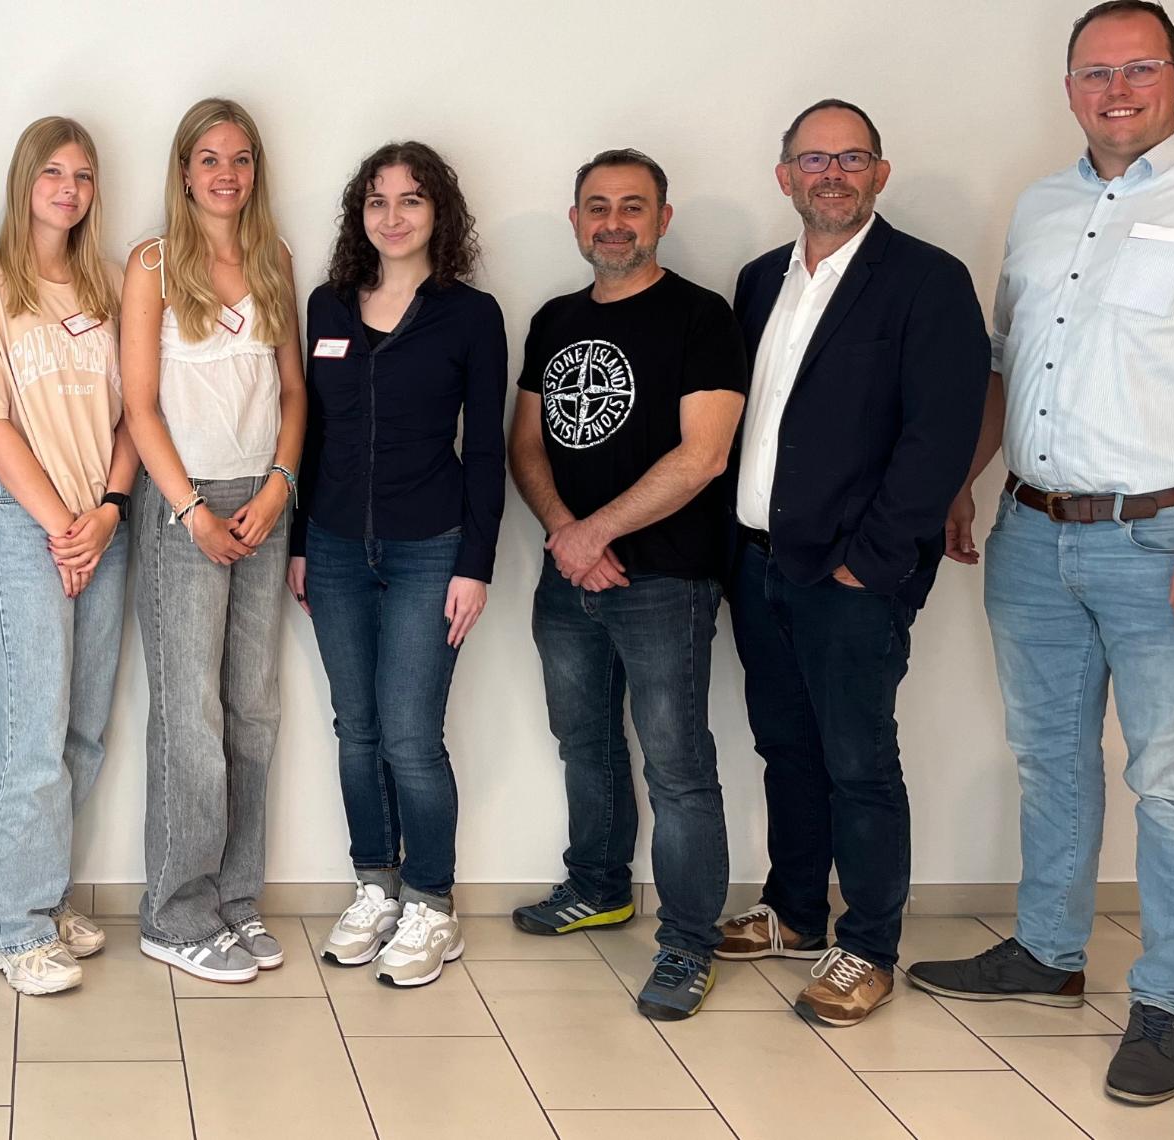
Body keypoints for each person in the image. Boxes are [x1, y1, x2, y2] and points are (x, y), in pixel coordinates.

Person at [908, 1, 1174, 1104]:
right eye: (1095, 72)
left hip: (1170, 534)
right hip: (1032, 532)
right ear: (1069, 85)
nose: (1117, 90)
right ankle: (1046, 951)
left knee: (1171, 779)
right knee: (1050, 758)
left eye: (1140, 70)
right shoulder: (1039, 208)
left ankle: (1168, 1002)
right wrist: (965, 478)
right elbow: (1006, 364)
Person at [711, 98, 987, 1029]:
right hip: (757, 563)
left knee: (860, 761)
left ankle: (867, 945)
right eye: (813, 159)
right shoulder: (758, 281)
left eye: (852, 157)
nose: (832, 173)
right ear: (783, 175)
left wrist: (872, 563)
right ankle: (794, 911)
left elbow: (938, 436)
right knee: (784, 748)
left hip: (852, 577)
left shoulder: (926, 280)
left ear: (881, 172)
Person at [505, 150, 747, 1021]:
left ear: (663, 219)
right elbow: (526, 444)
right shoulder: (553, 318)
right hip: (568, 576)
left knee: (679, 765)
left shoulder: (701, 316)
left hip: (665, 581)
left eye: (633, 207)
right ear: (575, 220)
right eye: (597, 207)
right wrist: (567, 538)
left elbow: (705, 453)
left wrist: (595, 531)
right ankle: (599, 887)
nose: (614, 222)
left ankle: (687, 943)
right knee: (586, 742)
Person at [0, 115, 135, 995]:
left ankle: (41, 900)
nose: (69, 189)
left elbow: (138, 416)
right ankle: (6, 927)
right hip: (23, 525)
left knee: (83, 727)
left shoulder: (111, 284)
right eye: (53, 172)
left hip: (103, 524)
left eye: (83, 176)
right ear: (24, 182)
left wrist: (110, 511)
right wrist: (63, 524)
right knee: (31, 732)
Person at [292, 141, 505, 988]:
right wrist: (304, 543)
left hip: (430, 552)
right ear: (360, 216)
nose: (393, 216)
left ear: (437, 213)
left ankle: (431, 904)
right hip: (338, 548)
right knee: (357, 731)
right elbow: (307, 436)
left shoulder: (471, 315)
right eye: (377, 202)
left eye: (411, 200)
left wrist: (475, 563)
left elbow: (484, 450)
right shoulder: (328, 305)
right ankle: (374, 886)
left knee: (412, 737)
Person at [119, 97, 306, 984]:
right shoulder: (152, 264)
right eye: (208, 159)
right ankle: (175, 912)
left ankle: (236, 900)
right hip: (180, 506)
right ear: (184, 171)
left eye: (240, 158)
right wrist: (190, 506)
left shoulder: (275, 259)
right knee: (190, 719)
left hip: (264, 501)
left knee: (254, 709)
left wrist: (278, 485)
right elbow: (140, 404)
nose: (225, 174)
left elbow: (294, 393)